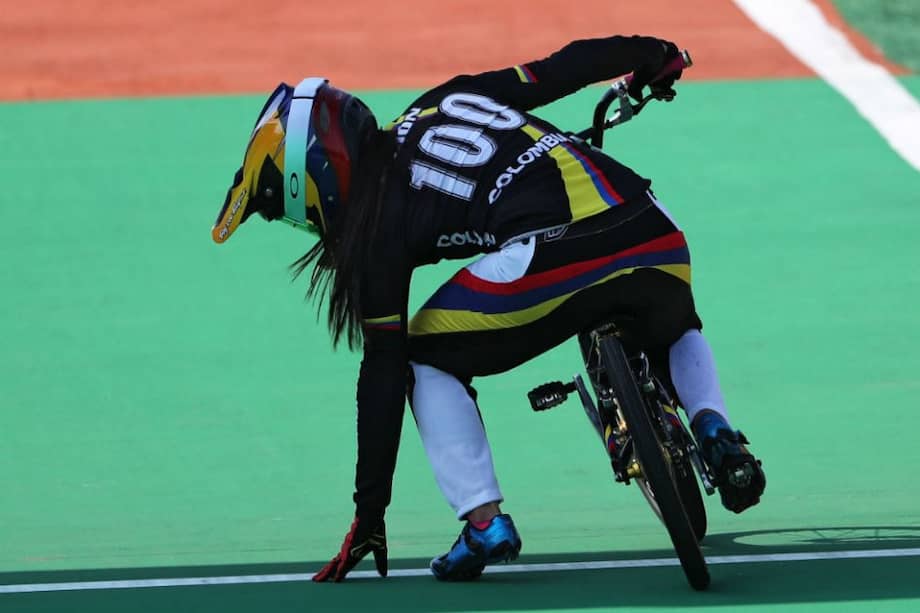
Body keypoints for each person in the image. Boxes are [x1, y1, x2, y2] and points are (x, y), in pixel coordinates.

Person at [211, 34, 766, 583]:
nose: (311, 224)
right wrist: (652, 55)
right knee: (672, 322)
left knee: (423, 356)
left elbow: (381, 377)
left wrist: (370, 514)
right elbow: (561, 68)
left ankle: (483, 521)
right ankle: (715, 429)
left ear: (319, 181)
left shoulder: (375, 230)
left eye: (299, 210)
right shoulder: (445, 98)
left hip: (549, 257)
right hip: (650, 224)